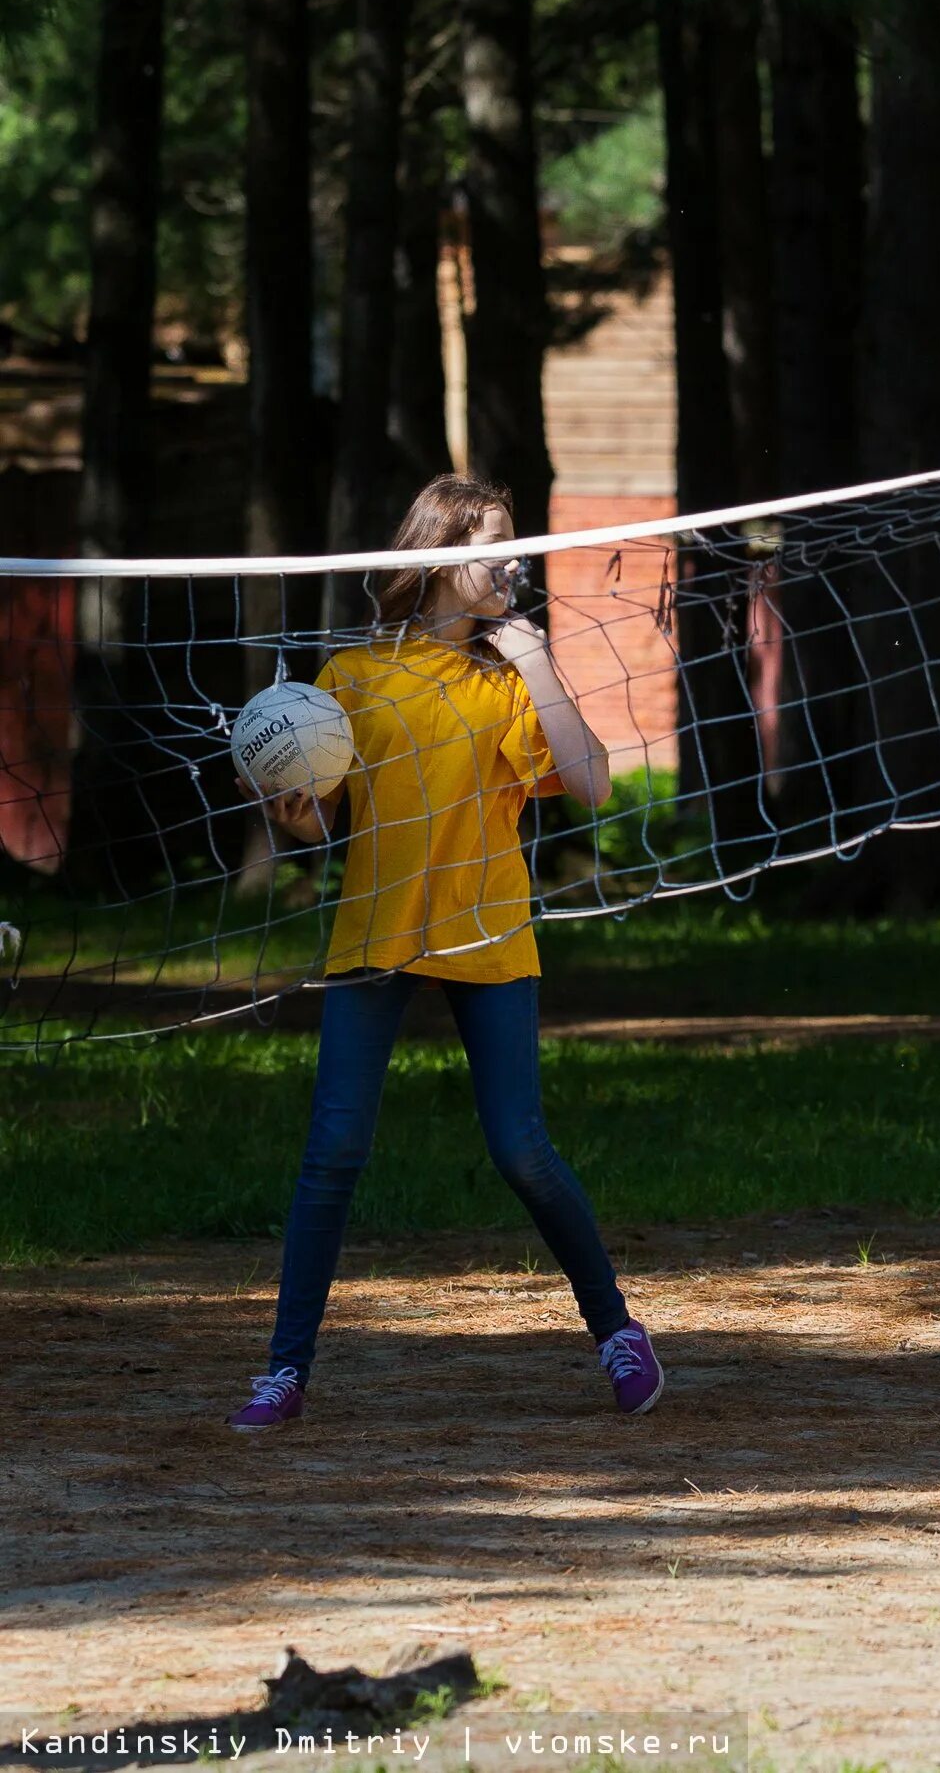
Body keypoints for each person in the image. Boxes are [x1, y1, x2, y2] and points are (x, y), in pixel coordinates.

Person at [227, 475, 661, 1433]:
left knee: (521, 1148)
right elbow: (317, 828)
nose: (512, 561)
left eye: (516, 545)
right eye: (493, 544)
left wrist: (539, 658)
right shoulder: (349, 679)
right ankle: (283, 1372)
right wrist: (290, 813)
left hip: (488, 931)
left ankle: (617, 1330)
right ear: (437, 556)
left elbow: (588, 785)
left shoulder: (508, 680)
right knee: (333, 1150)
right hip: (376, 933)